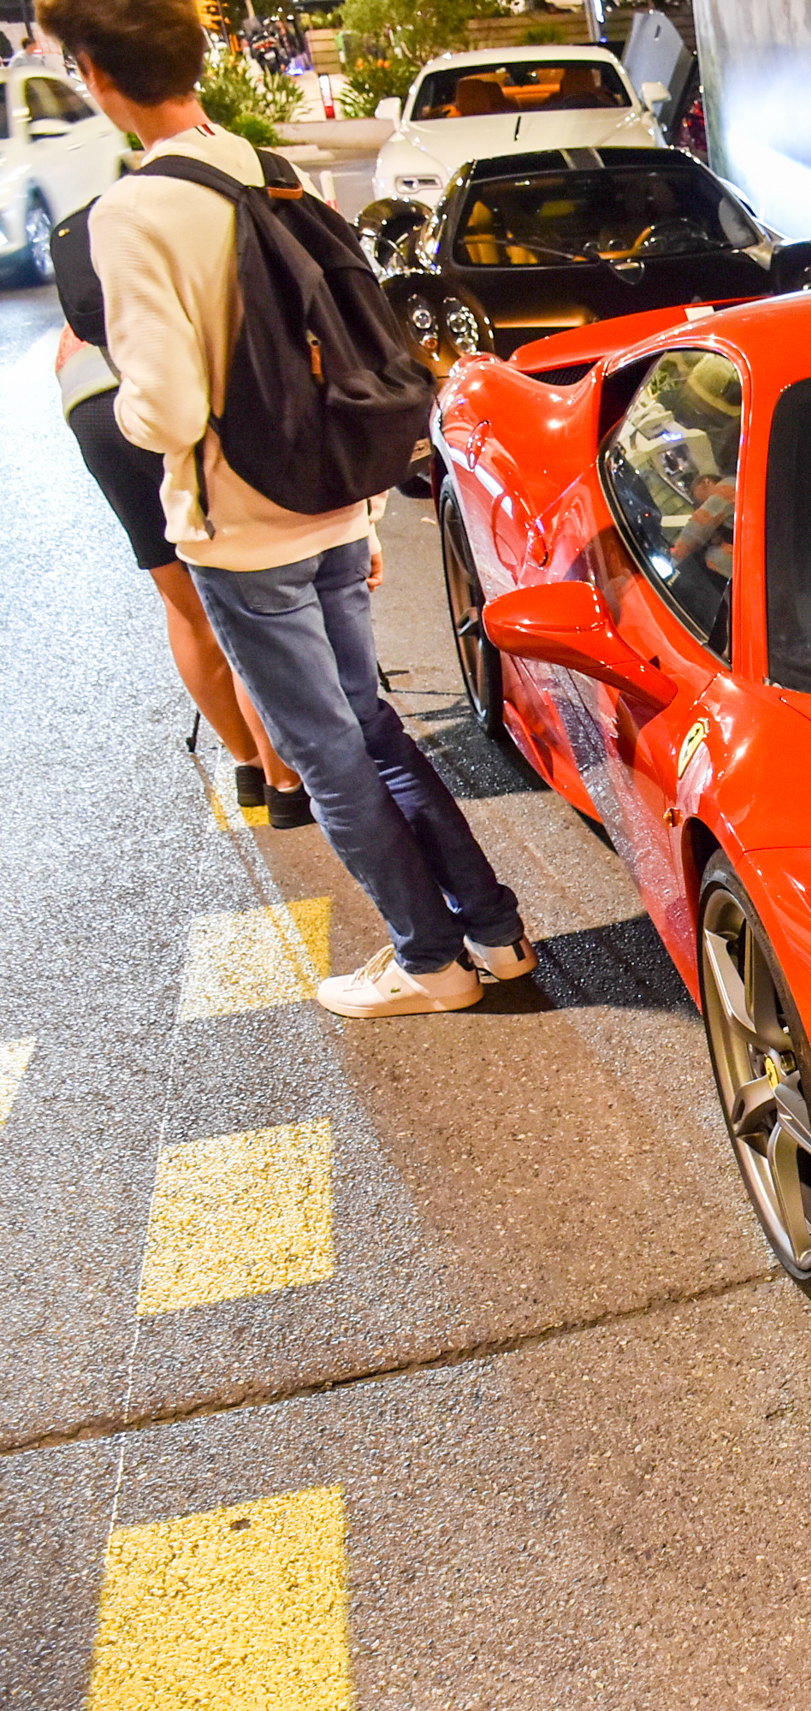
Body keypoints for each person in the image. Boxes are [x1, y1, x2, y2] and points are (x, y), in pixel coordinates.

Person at [41, 0, 535, 1020]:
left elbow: (168, 405)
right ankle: (493, 929)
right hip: (328, 500)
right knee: (373, 726)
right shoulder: (265, 167)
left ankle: (428, 962)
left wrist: (126, 417)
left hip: (242, 523)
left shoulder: (134, 212)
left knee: (326, 755)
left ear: (93, 72)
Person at [56, 326, 310, 825]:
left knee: (185, 608)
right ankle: (287, 785)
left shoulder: (88, 242)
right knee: (241, 596)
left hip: (86, 396)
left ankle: (250, 765)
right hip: (164, 385)